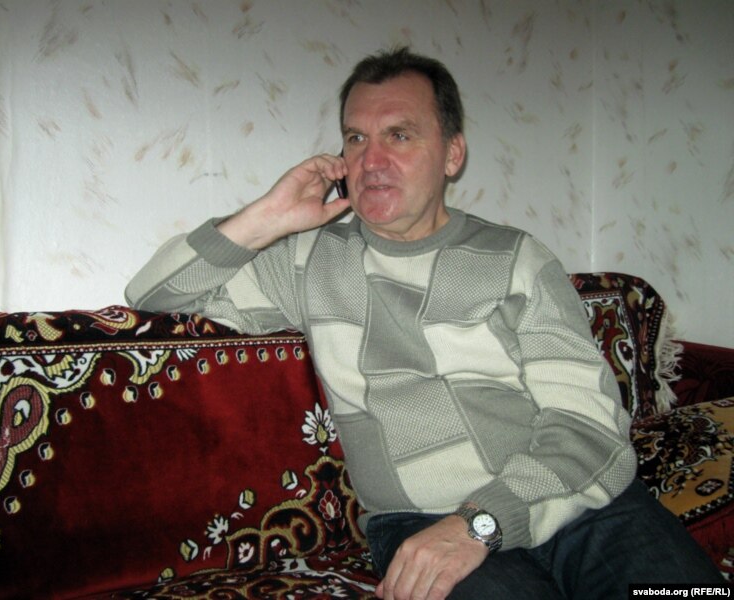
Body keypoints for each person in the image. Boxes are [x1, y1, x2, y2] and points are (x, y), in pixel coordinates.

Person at [126, 47, 722, 599]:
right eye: (355, 138)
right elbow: (152, 295)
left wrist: (480, 523)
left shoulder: (516, 258)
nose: (371, 160)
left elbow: (587, 422)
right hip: (421, 519)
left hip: (576, 502)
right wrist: (268, 217)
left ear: (452, 154)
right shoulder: (308, 261)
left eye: (399, 134)